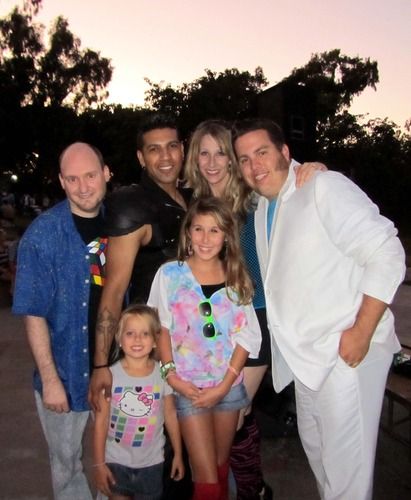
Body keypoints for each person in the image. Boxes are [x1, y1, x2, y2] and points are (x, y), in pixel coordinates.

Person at [232, 118, 406, 500]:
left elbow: (387, 252)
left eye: (262, 152)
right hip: (305, 361)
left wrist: (361, 332)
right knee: (322, 462)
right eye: (244, 159)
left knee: (347, 476)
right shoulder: (262, 209)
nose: (254, 165)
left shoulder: (322, 187)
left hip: (345, 352)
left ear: (284, 152)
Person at [184, 119, 325, 500]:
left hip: (255, 320)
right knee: (222, 416)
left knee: (233, 412)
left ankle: (248, 489)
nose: (212, 162)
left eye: (221, 153)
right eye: (204, 153)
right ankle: (244, 486)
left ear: (233, 159)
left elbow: (295, 190)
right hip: (212, 325)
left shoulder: (254, 199)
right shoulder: (194, 205)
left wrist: (313, 170)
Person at [89, 113, 193, 499]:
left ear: (182, 149)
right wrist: (101, 364)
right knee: (151, 460)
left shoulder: (192, 198)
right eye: (154, 149)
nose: (165, 157)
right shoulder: (132, 204)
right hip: (151, 350)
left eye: (172, 146)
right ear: (141, 157)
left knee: (186, 460)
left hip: (194, 346)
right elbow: (114, 290)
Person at [12, 142, 111, 499]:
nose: (83, 187)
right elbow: (34, 312)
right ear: (61, 181)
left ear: (106, 174)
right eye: (72, 179)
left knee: (116, 461)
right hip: (66, 371)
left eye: (90, 175)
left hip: (115, 369)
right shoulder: (42, 235)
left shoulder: (121, 224)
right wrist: (51, 380)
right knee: (67, 464)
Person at [148, 197, 262, 500]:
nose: (205, 239)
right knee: (206, 478)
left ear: (226, 236)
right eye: (198, 229)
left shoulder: (236, 277)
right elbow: (160, 327)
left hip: (228, 388)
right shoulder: (170, 274)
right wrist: (171, 375)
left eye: (214, 230)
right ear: (188, 232)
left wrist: (224, 386)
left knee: (220, 467)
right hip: (189, 388)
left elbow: (248, 337)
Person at [93, 304, 184, 499]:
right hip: (116, 462)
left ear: (155, 341)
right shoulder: (109, 376)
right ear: (119, 339)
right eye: (130, 333)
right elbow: (101, 422)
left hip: (152, 463)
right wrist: (99, 464)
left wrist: (178, 453)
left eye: (145, 334)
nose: (137, 339)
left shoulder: (163, 374)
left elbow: (170, 415)